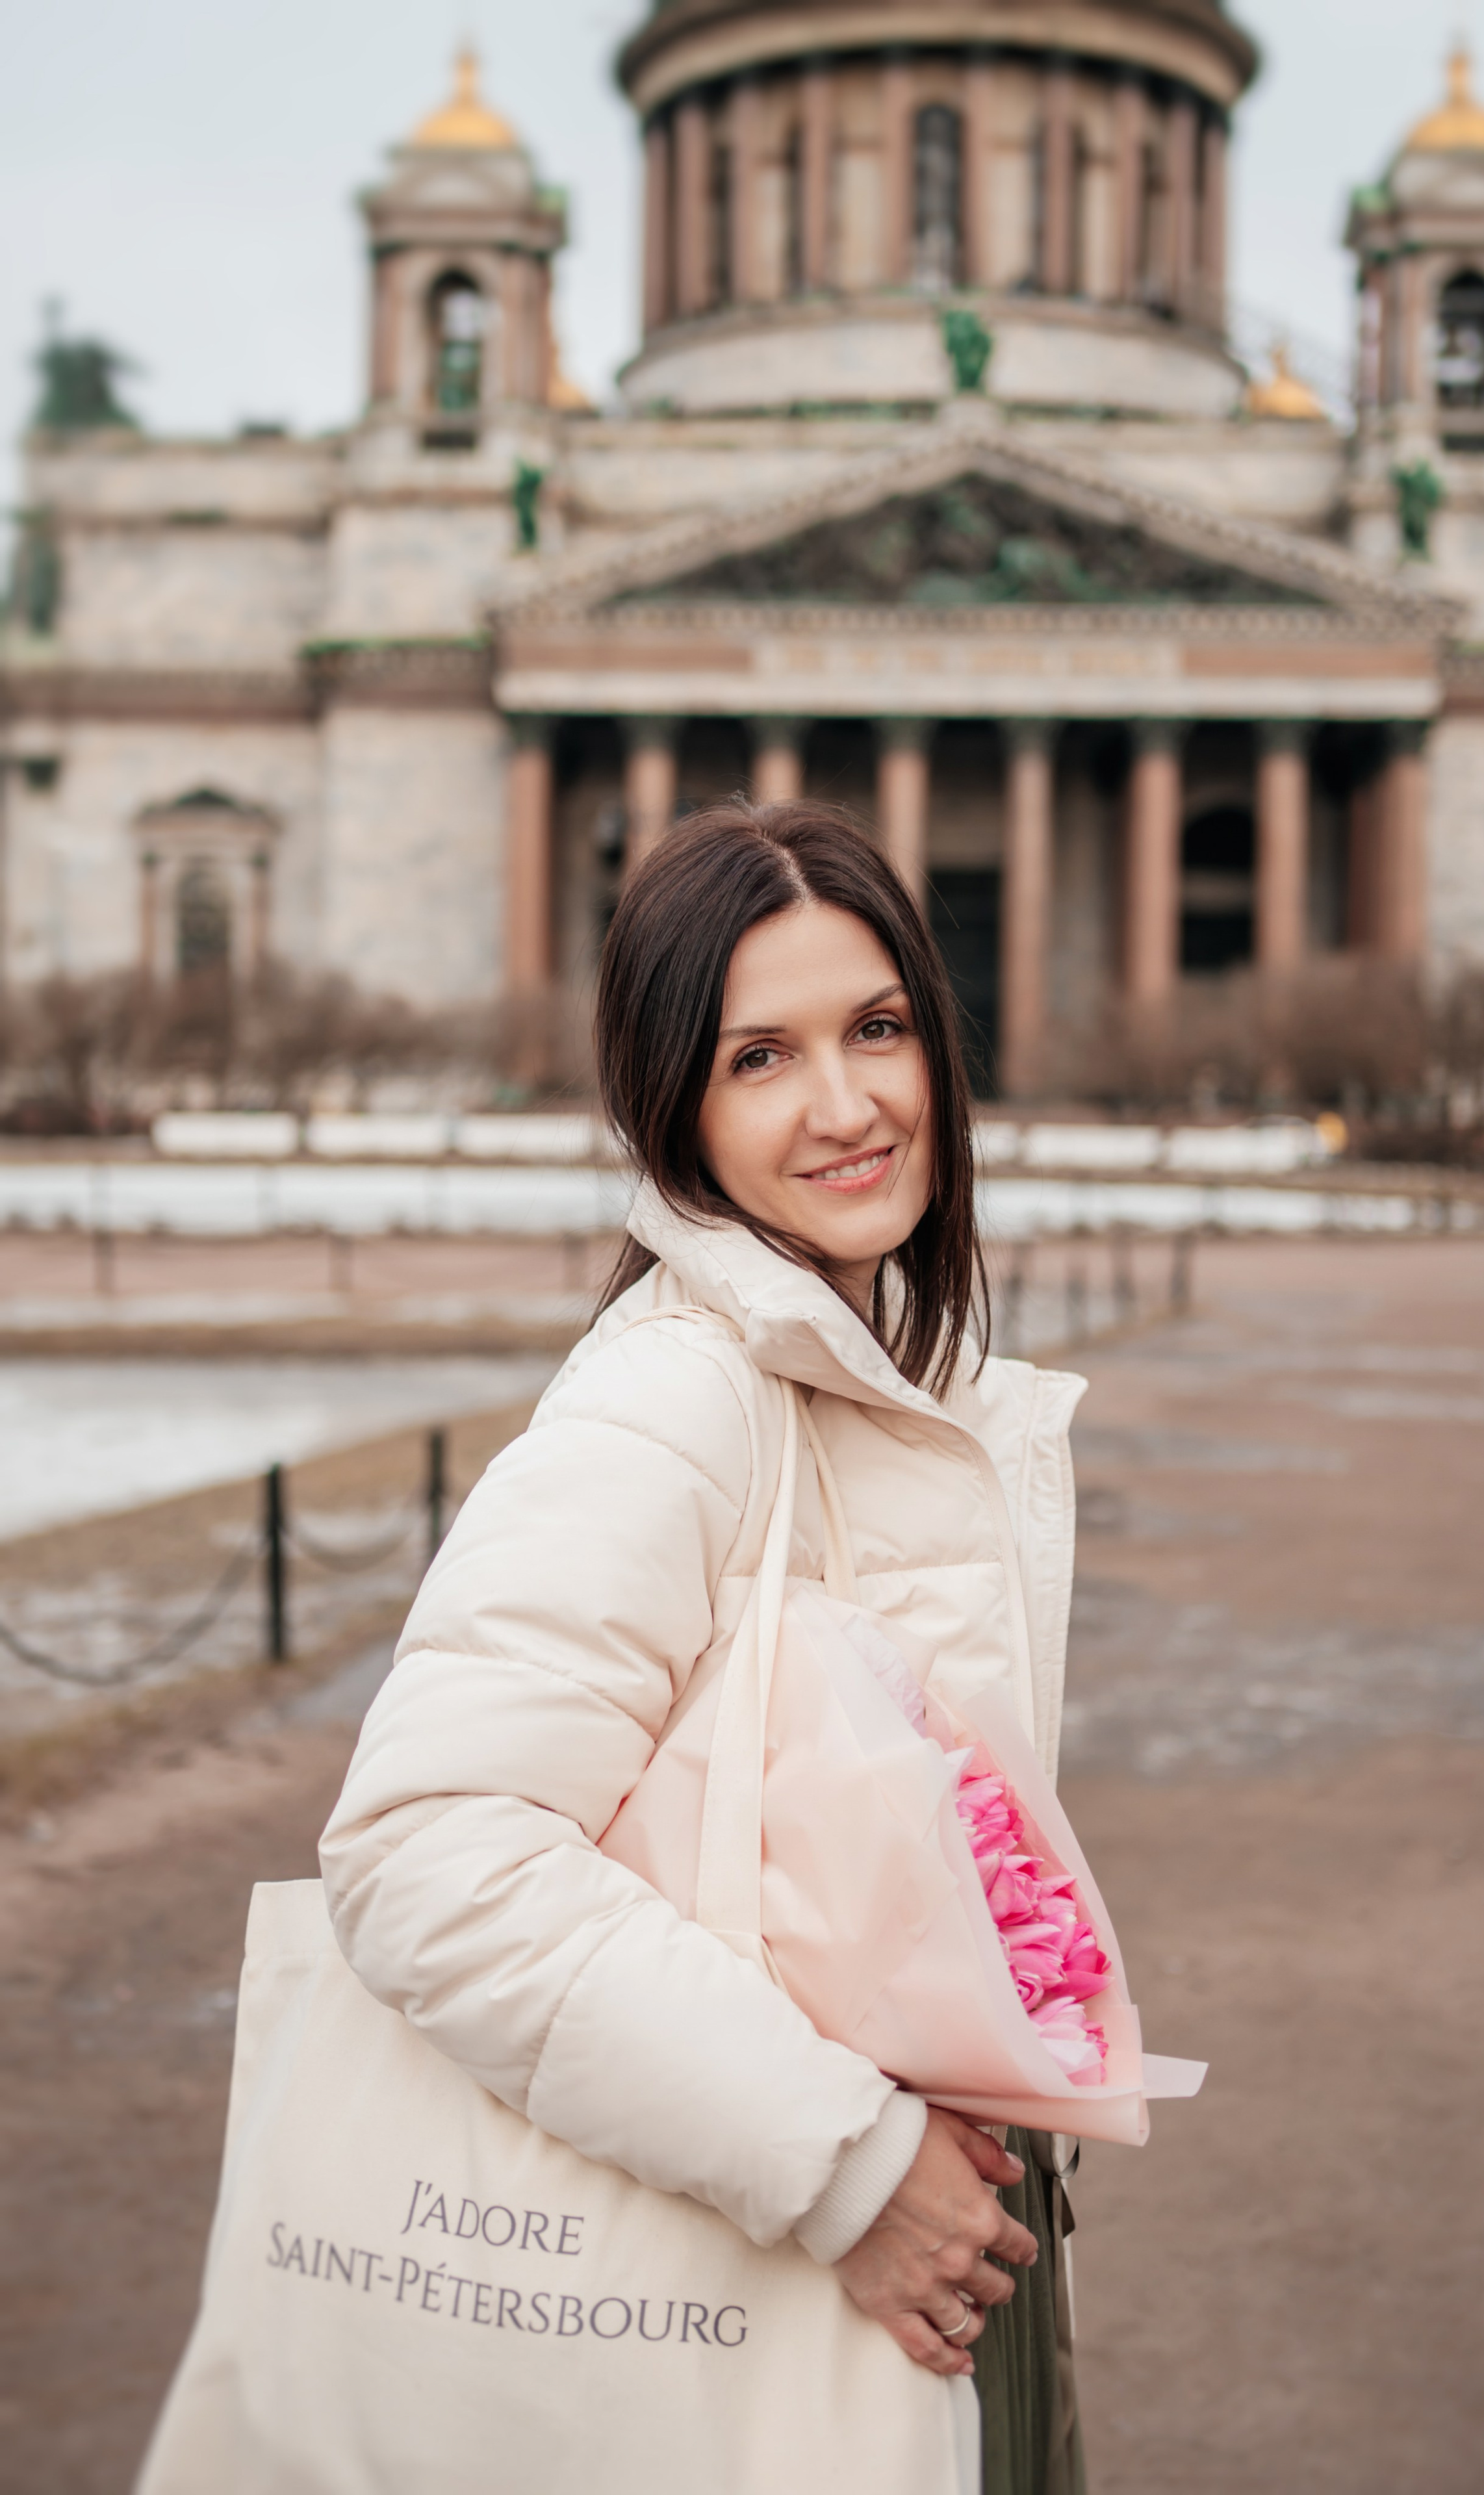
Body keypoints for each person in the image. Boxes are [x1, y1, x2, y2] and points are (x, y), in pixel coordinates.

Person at [320, 801, 1087, 2494]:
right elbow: (424, 1853)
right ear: (672, 1107)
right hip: (787, 2263)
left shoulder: (877, 1380)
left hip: (920, 2265)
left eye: (879, 1028)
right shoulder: (681, 1394)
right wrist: (848, 2164)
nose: (849, 1104)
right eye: (763, 1056)